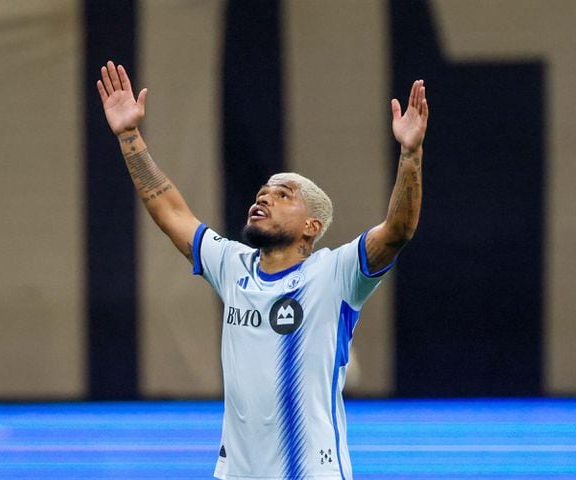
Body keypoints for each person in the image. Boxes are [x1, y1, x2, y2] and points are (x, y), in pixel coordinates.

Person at [96, 60, 427, 480]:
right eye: (262, 193)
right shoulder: (232, 264)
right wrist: (129, 136)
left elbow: (398, 231)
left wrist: (410, 155)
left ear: (312, 228)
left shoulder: (336, 274)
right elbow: (168, 208)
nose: (265, 198)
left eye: (283, 195)